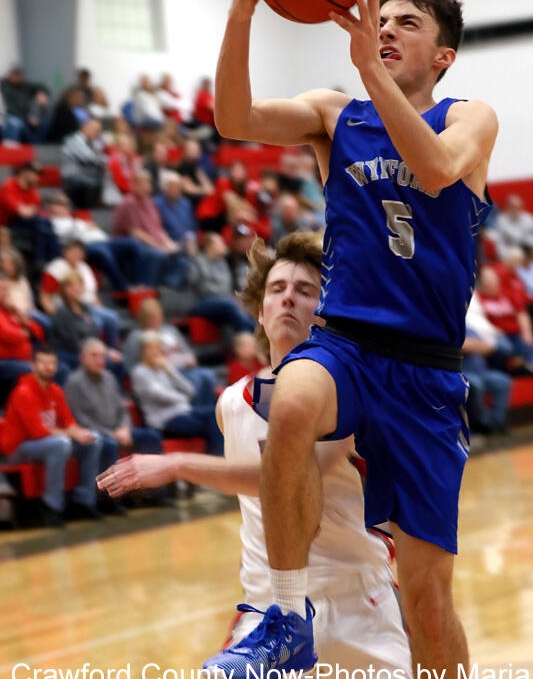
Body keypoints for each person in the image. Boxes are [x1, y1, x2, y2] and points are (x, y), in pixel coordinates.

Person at [208, 0, 499, 674]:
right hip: (345, 341)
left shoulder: (466, 116)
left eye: (408, 23)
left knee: (426, 598)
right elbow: (233, 119)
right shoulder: (335, 114)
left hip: (426, 369)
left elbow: (435, 170)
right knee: (290, 405)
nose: (388, 29)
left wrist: (371, 70)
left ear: (443, 55)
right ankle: (285, 614)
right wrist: (240, 15)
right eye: (382, 18)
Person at [97, 232, 412, 672]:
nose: (288, 299)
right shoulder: (230, 403)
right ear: (261, 313)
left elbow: (293, 474)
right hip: (270, 608)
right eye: (277, 289)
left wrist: (177, 463)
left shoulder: (348, 390)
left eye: (305, 291)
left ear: (326, 313)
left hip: (357, 601)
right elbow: (262, 494)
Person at [0, 347, 102, 526]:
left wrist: (78, 432)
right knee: (60, 444)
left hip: (45, 443)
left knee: (93, 439)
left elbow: (69, 422)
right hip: (17, 448)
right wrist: (71, 433)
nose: (49, 367)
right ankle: (51, 506)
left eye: (52, 363)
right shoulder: (23, 391)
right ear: (33, 366)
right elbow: (37, 432)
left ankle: (83, 501)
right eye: (43, 362)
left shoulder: (55, 390)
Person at [65, 338, 162, 511]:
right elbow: (79, 418)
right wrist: (110, 433)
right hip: (97, 433)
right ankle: (109, 501)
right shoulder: (74, 382)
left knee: (151, 436)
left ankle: (153, 493)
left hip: (118, 430)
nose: (99, 360)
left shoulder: (109, 377)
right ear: (82, 358)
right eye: (94, 355)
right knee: (108, 444)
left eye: (102, 356)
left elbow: (122, 409)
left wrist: (124, 428)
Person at [130, 331, 223, 455]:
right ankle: (217, 458)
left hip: (185, 411)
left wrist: (170, 371)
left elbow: (190, 390)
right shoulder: (140, 372)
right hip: (165, 421)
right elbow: (160, 395)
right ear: (145, 350)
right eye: (154, 348)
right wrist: (183, 399)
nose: (158, 352)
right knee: (210, 425)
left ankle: (218, 458)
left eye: (159, 348)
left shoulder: (163, 367)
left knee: (215, 412)